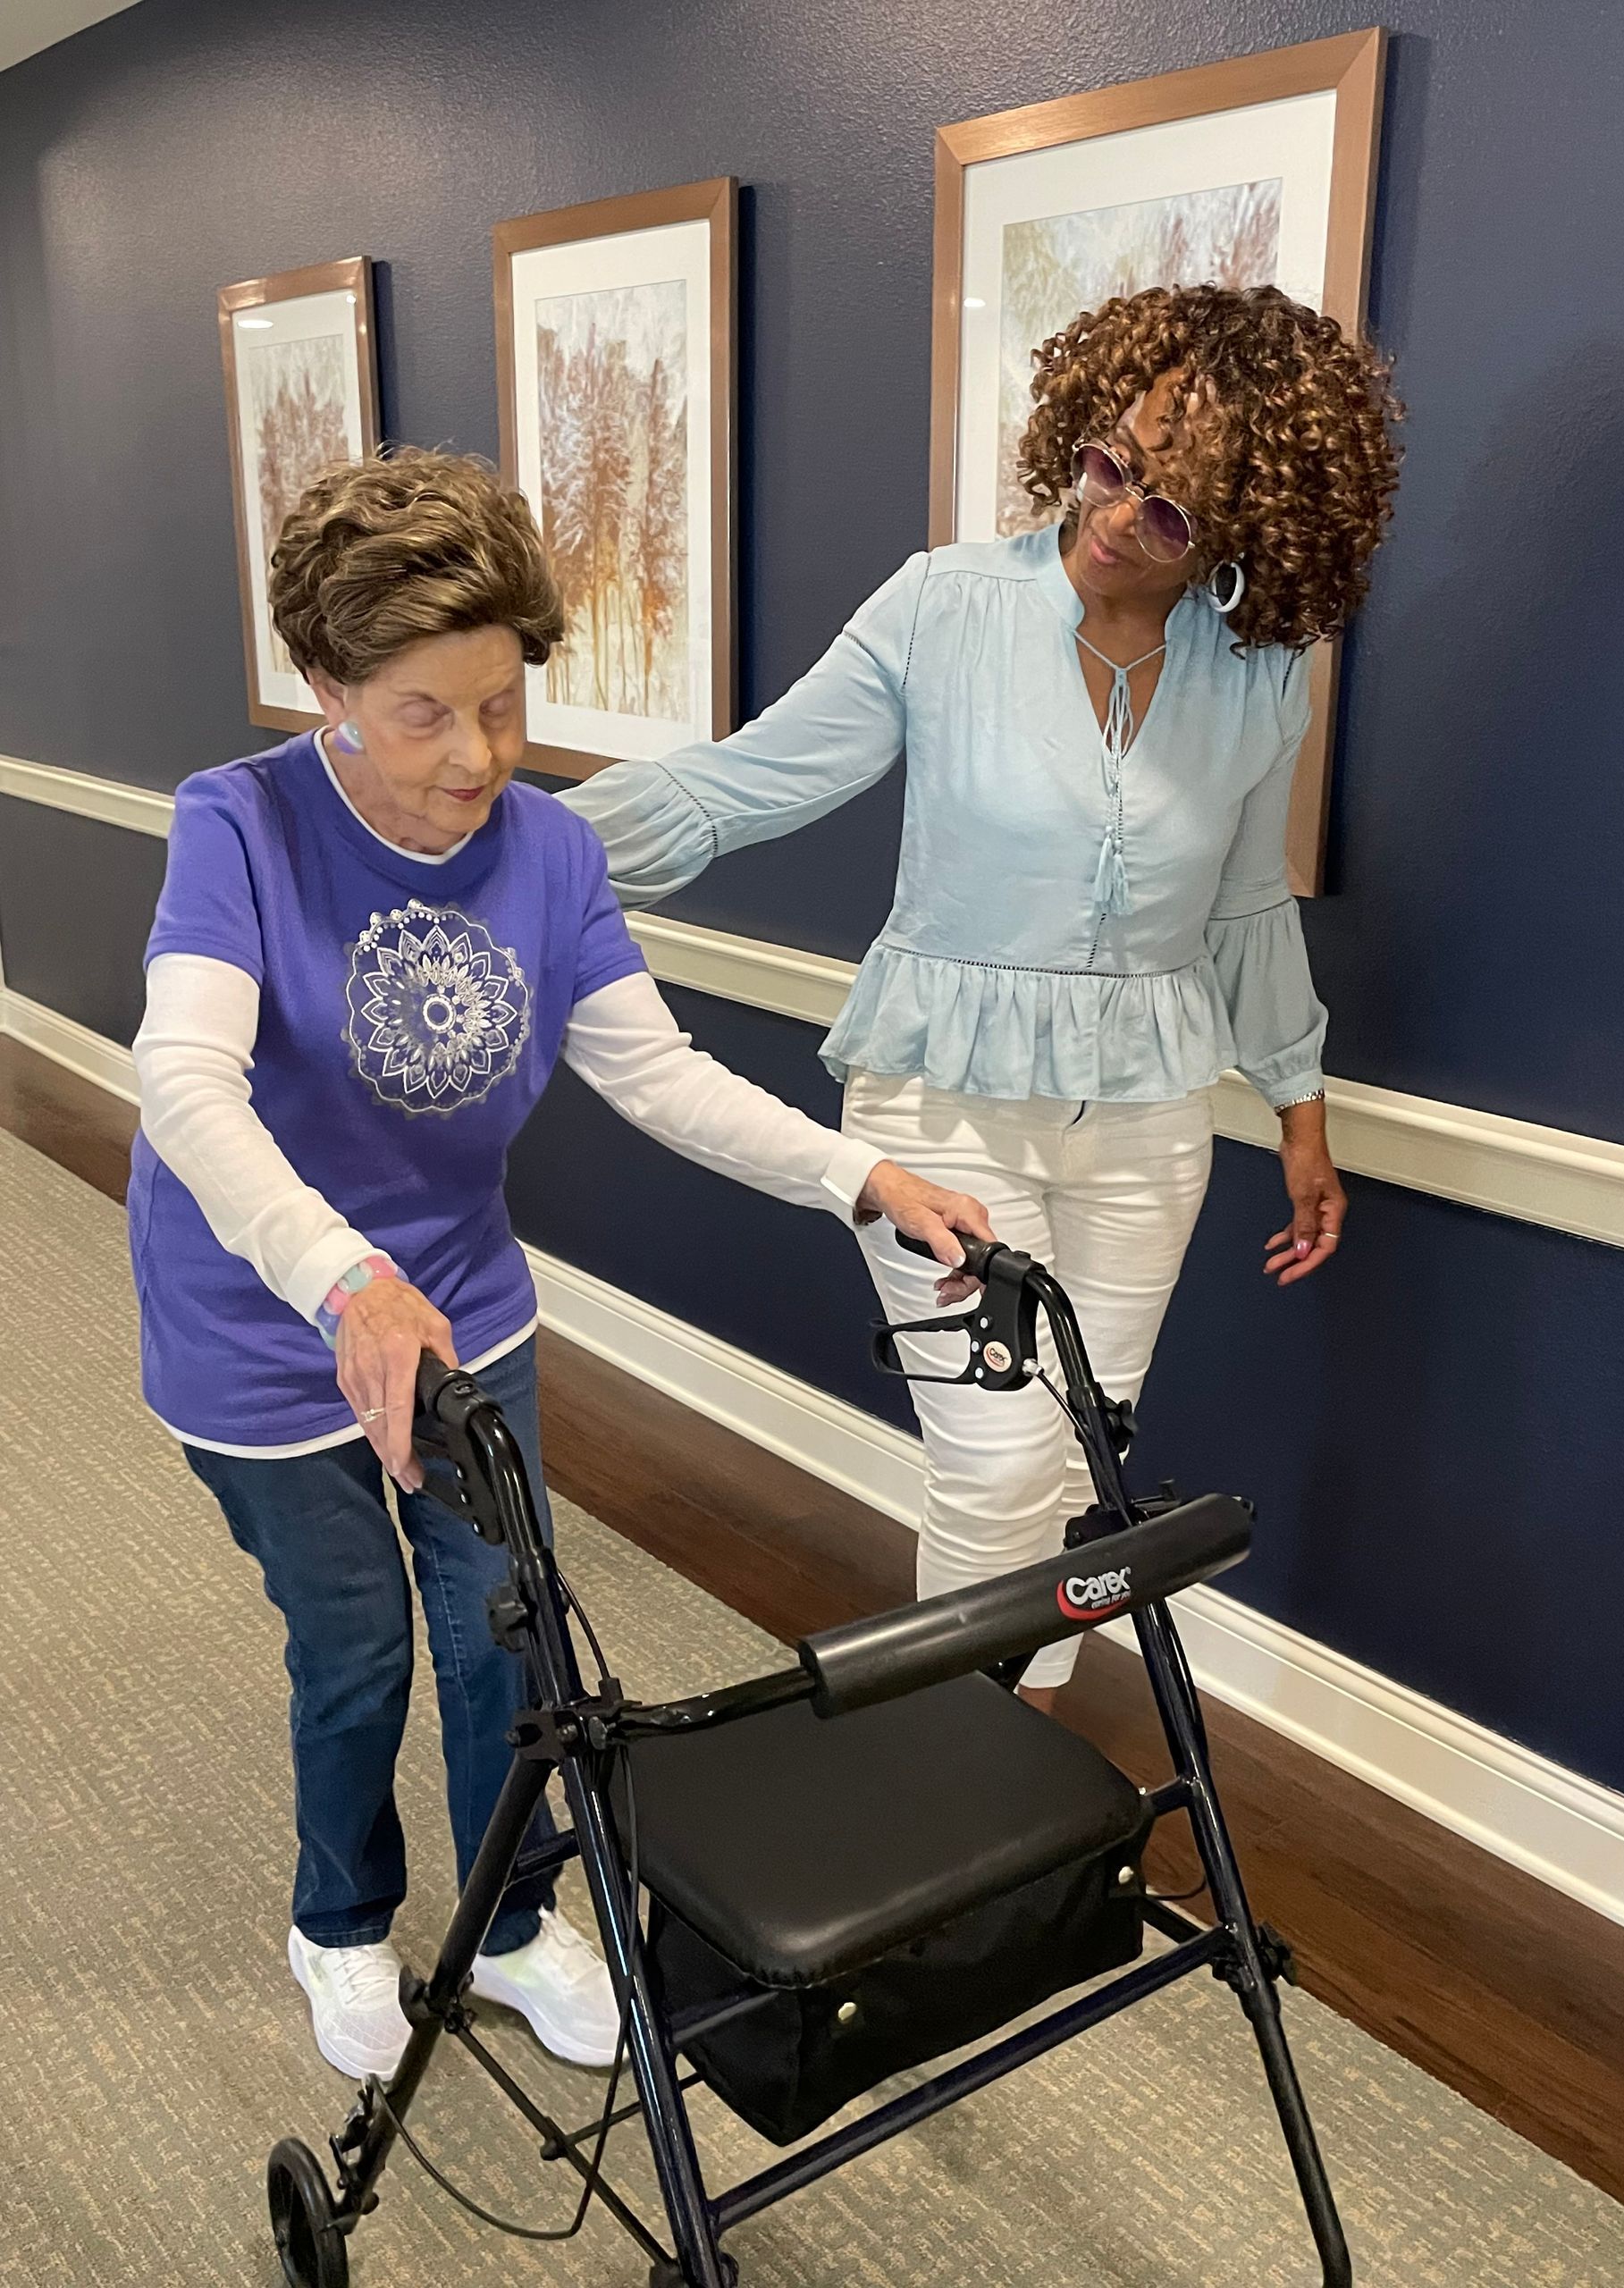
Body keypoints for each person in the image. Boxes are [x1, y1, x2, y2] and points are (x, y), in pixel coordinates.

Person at [128, 449, 991, 2084]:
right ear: (326, 690)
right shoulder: (234, 827)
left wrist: (855, 1173)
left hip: (459, 1305)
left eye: (503, 706)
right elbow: (185, 1083)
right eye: (423, 717)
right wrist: (342, 1280)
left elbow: (657, 1075)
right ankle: (340, 1924)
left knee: (500, 1626)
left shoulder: (552, 855)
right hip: (257, 1320)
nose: (478, 761)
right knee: (361, 1641)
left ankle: (510, 1925)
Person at [567, 283, 1403, 1710]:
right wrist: (524, 853)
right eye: (1110, 460)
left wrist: (1300, 1109)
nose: (1115, 509)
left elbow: (1247, 907)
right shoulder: (946, 604)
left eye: (1171, 507)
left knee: (1082, 1450)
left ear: (1257, 535)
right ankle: (946, 1757)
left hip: (1147, 1118)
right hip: (940, 1094)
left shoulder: (1263, 672)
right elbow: (750, 781)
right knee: (997, 1455)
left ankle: (1015, 1751)